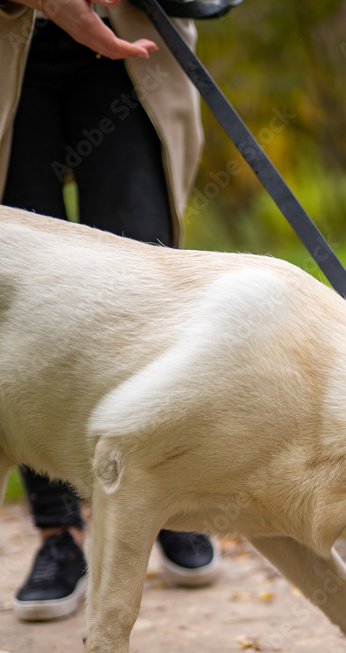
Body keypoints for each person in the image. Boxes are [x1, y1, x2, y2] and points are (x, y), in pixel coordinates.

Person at [0, 0, 220, 621]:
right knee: (23, 303)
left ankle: (164, 501)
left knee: (144, 276)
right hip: (9, 36)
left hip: (131, 35)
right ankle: (56, 533)